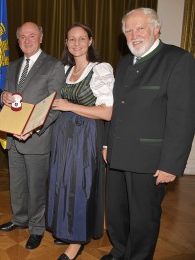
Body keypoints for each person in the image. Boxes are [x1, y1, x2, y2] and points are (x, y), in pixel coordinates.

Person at [102, 8, 195, 260]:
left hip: (149, 161)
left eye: (140, 28)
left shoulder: (178, 60)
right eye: (129, 30)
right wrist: (107, 144)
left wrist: (171, 164)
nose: (134, 35)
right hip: (118, 154)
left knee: (144, 218)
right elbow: (116, 107)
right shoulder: (123, 63)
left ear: (156, 29)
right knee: (116, 213)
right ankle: (120, 251)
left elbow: (183, 118)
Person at [47, 22, 114, 260]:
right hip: (63, 135)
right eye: (71, 39)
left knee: (80, 185)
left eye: (81, 38)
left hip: (86, 136)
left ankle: (77, 240)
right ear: (66, 43)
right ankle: (66, 229)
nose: (76, 43)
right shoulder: (64, 69)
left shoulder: (100, 70)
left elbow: (107, 112)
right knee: (62, 182)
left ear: (90, 41)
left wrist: (69, 106)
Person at [0, 22, 65, 250]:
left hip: (36, 138)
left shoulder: (54, 66)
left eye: (32, 36)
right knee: (16, 183)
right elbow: (6, 97)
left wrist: (35, 128)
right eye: (22, 37)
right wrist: (3, 96)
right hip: (13, 136)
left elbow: (54, 107)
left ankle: (36, 228)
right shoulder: (13, 65)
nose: (27, 40)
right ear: (17, 41)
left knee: (36, 187)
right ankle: (19, 219)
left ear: (41, 37)